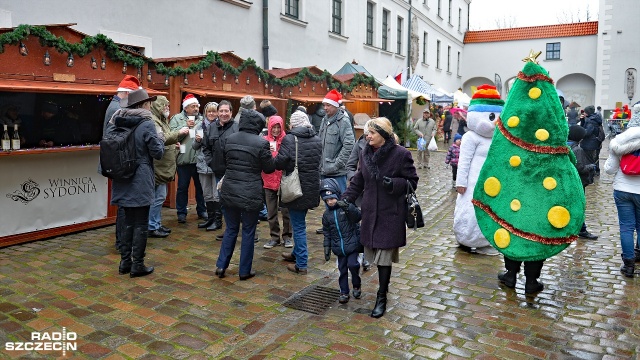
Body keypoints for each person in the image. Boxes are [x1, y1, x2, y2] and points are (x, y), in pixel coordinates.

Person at [342, 117, 418, 318]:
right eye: (367, 133)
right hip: (369, 212)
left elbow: (412, 181)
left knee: (384, 259)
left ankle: (381, 297)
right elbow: (359, 179)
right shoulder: (365, 152)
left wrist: (394, 183)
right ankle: (381, 293)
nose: (367, 136)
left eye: (372, 133)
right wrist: (346, 198)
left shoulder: (401, 154)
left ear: (383, 135)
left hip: (390, 214)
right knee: (372, 256)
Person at [108, 89, 164, 277]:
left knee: (126, 222)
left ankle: (125, 262)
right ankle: (137, 265)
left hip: (122, 177)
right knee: (140, 222)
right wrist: (161, 139)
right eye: (149, 102)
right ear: (144, 105)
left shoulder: (117, 121)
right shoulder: (146, 123)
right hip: (140, 178)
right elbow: (158, 153)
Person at [214, 109, 275, 280]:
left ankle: (221, 266)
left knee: (231, 229)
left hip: (230, 189)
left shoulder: (229, 138)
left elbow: (220, 164)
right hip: (250, 191)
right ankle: (244, 270)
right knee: (248, 230)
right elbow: (269, 168)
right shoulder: (261, 143)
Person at [453, 85, 503, 255]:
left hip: (492, 183)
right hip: (472, 183)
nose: (494, 122)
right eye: (490, 116)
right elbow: (464, 162)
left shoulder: (498, 138)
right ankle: (466, 238)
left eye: (497, 116)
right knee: (470, 212)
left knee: (489, 211)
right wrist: (461, 182)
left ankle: (485, 241)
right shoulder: (470, 137)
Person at [275, 111, 322, 275]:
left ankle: (301, 263)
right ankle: (296, 253)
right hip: (311, 188)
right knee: (300, 222)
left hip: (296, 188)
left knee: (299, 226)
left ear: (293, 124)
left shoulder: (290, 138)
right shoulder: (316, 139)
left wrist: (272, 154)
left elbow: (280, 162)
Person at [102, 75, 140, 251]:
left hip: (117, 163)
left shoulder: (114, 106)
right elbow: (114, 139)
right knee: (125, 205)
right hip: (120, 164)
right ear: (126, 93)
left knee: (124, 205)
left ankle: (123, 241)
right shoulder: (118, 108)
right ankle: (123, 243)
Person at [604, 104, 640, 278]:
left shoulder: (621, 139)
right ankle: (638, 252)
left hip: (622, 189)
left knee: (626, 227)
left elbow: (610, 169)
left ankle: (629, 265)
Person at [316, 89, 355, 234]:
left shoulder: (343, 121)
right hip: (324, 170)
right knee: (327, 200)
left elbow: (350, 144)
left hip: (337, 172)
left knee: (339, 202)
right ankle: (331, 226)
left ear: (335, 106)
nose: (325, 108)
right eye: (324, 105)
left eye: (328, 105)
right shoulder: (324, 120)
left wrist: (337, 164)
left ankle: (344, 229)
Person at [148, 96, 188, 238]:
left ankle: (156, 223)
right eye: (165, 106)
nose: (167, 108)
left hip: (163, 166)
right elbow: (162, 138)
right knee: (158, 197)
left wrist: (174, 146)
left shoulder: (162, 120)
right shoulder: (154, 120)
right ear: (159, 106)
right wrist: (179, 133)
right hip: (158, 167)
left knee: (159, 196)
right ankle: (152, 226)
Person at [321, 178, 363, 304]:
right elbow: (327, 233)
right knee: (342, 270)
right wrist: (327, 247)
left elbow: (358, 217)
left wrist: (348, 207)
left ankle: (356, 284)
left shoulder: (345, 207)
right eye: (327, 200)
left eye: (332, 198)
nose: (330, 202)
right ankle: (344, 292)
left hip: (353, 245)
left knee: (353, 265)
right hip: (339, 248)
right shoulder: (326, 215)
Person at [203, 100, 239, 240]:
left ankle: (243, 230)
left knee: (236, 202)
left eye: (226, 111)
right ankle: (229, 229)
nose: (224, 114)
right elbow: (206, 147)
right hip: (218, 171)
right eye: (221, 111)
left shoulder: (237, 128)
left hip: (234, 172)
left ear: (231, 112)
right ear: (218, 113)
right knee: (223, 201)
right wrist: (210, 162)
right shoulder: (211, 127)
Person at [170, 94, 207, 224]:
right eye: (193, 106)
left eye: (197, 106)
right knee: (182, 187)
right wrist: (184, 128)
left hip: (199, 160)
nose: (196, 108)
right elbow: (171, 136)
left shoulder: (203, 119)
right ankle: (181, 212)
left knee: (201, 187)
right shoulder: (177, 119)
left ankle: (202, 210)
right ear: (186, 108)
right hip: (183, 160)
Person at [262, 115, 293, 249]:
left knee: (286, 211)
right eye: (273, 127)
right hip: (268, 179)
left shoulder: (287, 140)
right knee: (271, 211)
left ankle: (287, 236)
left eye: (278, 127)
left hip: (284, 179)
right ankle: (274, 236)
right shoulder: (264, 140)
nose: (275, 130)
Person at [193, 102, 222, 231]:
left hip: (216, 164)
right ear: (205, 113)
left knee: (216, 194)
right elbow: (194, 147)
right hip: (202, 164)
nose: (211, 114)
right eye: (209, 111)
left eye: (214, 111)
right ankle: (210, 219)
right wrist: (198, 141)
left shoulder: (220, 126)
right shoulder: (199, 126)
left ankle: (217, 220)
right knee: (207, 193)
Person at [567, 125, 598, 240]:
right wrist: (591, 167)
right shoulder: (577, 149)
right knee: (579, 206)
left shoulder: (565, 145)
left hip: (566, 181)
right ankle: (582, 230)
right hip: (577, 182)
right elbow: (580, 168)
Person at [580, 105, 604, 175]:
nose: (583, 113)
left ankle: (592, 173)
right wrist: (582, 120)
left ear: (588, 112)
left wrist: (580, 133)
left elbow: (587, 132)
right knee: (595, 158)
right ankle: (596, 171)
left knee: (590, 159)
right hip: (595, 142)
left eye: (585, 112)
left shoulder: (591, 121)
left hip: (590, 143)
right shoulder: (594, 118)